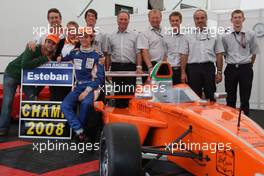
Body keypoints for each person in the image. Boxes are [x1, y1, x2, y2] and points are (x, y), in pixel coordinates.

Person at [0, 34, 60, 136]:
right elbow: (25, 65)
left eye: (53, 44)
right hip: (12, 74)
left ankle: (27, 128)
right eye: (49, 42)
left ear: (56, 47)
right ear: (44, 42)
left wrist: (36, 91)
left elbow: (45, 75)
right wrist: (44, 59)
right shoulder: (33, 48)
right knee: (7, 102)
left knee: (31, 101)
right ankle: (2, 128)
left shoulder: (52, 56)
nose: (50, 45)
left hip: (27, 79)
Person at [60, 27, 105, 142]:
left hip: (92, 87)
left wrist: (87, 91)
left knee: (85, 104)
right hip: (78, 86)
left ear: (91, 38)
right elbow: (64, 60)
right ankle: (80, 131)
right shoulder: (74, 53)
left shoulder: (98, 55)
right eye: (81, 36)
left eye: (86, 36)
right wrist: (60, 58)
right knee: (64, 105)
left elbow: (100, 78)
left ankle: (79, 133)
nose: (83, 39)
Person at [179, 9, 224, 101]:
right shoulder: (187, 35)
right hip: (192, 68)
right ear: (194, 20)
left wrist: (219, 72)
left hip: (209, 67)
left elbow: (219, 54)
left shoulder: (215, 34)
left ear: (206, 18)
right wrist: (183, 72)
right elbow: (184, 55)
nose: (200, 20)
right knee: (194, 95)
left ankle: (211, 114)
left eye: (202, 18)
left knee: (211, 94)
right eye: (197, 18)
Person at [222, 10, 259, 116]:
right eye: (235, 17)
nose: (237, 19)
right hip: (231, 69)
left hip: (245, 68)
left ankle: (245, 120)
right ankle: (230, 121)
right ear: (231, 19)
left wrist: (249, 65)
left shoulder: (251, 34)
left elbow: (254, 52)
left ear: (243, 19)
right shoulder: (225, 35)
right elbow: (224, 53)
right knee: (230, 97)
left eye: (239, 17)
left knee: (245, 98)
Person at [105, 11, 142, 108]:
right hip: (116, 68)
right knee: (118, 94)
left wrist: (138, 67)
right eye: (121, 19)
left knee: (129, 94)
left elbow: (138, 52)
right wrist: (107, 70)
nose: (123, 21)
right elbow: (108, 55)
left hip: (130, 67)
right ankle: (119, 118)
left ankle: (129, 118)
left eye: (125, 19)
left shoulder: (135, 35)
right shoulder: (110, 36)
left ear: (129, 21)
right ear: (117, 20)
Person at [50, 21, 80, 101]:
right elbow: (55, 55)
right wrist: (58, 57)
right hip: (59, 76)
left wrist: (63, 58)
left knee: (69, 101)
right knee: (56, 99)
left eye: (73, 30)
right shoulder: (61, 41)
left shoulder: (80, 43)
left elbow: (76, 57)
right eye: (69, 30)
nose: (70, 32)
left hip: (72, 77)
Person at [137, 9, 165, 79]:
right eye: (153, 18)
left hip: (163, 66)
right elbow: (144, 51)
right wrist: (150, 67)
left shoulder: (166, 32)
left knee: (163, 88)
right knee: (149, 88)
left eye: (157, 18)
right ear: (149, 19)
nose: (155, 20)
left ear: (161, 18)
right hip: (151, 66)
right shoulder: (144, 33)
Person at [163, 11, 184, 85]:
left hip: (182, 70)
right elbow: (165, 55)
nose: (174, 22)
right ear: (170, 22)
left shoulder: (186, 36)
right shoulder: (165, 37)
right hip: (169, 70)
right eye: (172, 21)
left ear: (180, 21)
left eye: (177, 20)